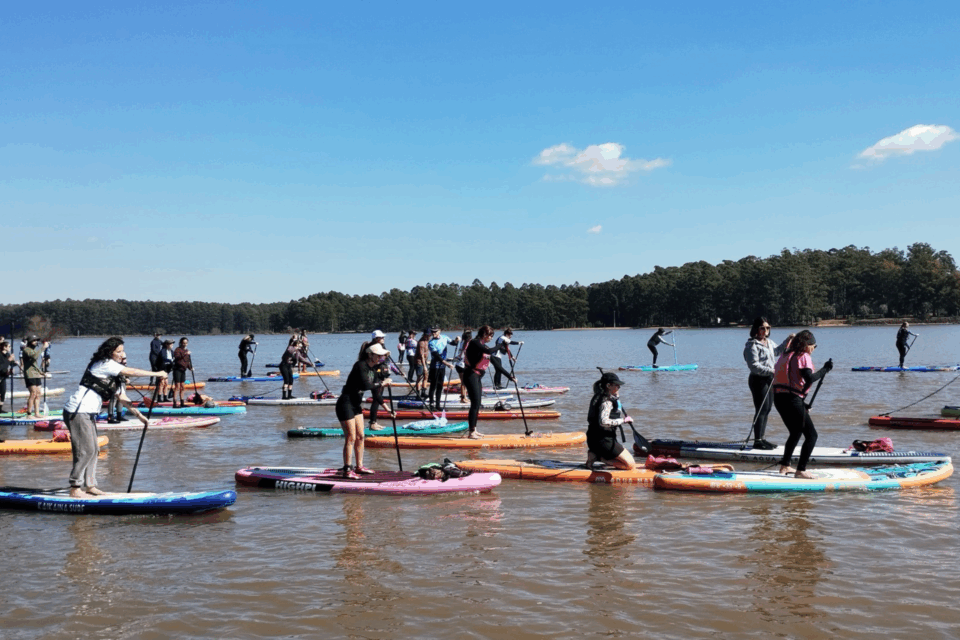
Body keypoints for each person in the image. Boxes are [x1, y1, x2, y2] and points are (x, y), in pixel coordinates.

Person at [61, 336, 166, 498]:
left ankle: (90, 486)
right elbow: (130, 371)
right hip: (77, 410)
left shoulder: (113, 377)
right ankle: (75, 488)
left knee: (94, 450)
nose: (122, 354)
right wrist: (157, 373)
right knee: (86, 450)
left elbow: (122, 398)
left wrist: (140, 416)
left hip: (87, 413)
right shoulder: (103, 364)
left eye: (123, 351)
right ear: (110, 352)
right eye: (119, 351)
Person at [772, 330, 833, 479]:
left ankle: (785, 465)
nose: (813, 349)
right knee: (812, 435)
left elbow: (791, 383)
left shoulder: (786, 354)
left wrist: (802, 403)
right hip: (791, 399)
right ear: (807, 345)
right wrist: (826, 369)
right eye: (814, 346)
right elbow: (809, 378)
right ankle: (801, 470)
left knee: (795, 432)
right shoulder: (803, 356)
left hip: (779, 398)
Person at [335, 343, 395, 478]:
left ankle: (359, 466)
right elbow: (365, 385)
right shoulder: (360, 365)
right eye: (378, 355)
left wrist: (387, 409)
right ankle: (347, 470)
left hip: (356, 405)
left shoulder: (374, 370)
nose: (381, 357)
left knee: (361, 436)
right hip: (345, 403)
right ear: (370, 355)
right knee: (351, 437)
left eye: (382, 355)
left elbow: (376, 393)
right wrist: (382, 383)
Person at [743, 318, 794, 450]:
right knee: (761, 409)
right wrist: (773, 371)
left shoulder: (769, 342)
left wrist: (788, 340)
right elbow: (754, 366)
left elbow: (777, 351)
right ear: (756, 329)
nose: (765, 331)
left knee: (767, 409)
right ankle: (757, 441)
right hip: (758, 380)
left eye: (768, 328)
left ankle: (762, 438)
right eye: (762, 328)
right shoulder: (752, 345)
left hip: (769, 378)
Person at [459, 325, 515, 438]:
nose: (491, 338)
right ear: (484, 334)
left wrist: (510, 377)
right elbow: (489, 350)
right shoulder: (475, 343)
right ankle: (471, 432)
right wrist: (500, 345)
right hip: (470, 376)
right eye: (490, 336)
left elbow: (497, 365)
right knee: (474, 404)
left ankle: (474, 430)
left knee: (478, 404)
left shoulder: (483, 346)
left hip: (477, 377)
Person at [585, 371, 637, 470]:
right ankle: (600, 458)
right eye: (617, 385)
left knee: (625, 461)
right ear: (608, 385)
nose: (619, 388)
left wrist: (616, 397)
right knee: (630, 465)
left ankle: (594, 454)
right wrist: (623, 420)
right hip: (603, 440)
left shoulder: (598, 396)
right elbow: (603, 422)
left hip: (593, 438)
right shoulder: (607, 401)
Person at [427, 327, 461, 411]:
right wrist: (448, 364)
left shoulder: (445, 337)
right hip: (434, 367)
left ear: (439, 331)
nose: (433, 333)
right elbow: (436, 356)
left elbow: (453, 343)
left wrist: (456, 340)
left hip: (442, 367)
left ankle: (438, 405)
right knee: (433, 386)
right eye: (432, 332)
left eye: (435, 332)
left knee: (440, 386)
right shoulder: (431, 343)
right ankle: (431, 405)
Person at [21, 335, 49, 417]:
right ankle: (29, 413)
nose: (36, 342)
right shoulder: (26, 350)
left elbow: (34, 364)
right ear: (30, 342)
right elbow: (35, 357)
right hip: (29, 374)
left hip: (36, 374)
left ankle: (36, 413)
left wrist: (41, 372)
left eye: (37, 341)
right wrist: (43, 348)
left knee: (38, 393)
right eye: (34, 341)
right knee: (33, 393)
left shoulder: (34, 350)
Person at [0, 338, 20, 416]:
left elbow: (9, 364)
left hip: (3, 377)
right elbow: (2, 367)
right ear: (4, 347)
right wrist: (9, 360)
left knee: (3, 393)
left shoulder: (7, 354)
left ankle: (0, 409)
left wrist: (14, 363)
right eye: (8, 346)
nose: (10, 348)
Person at [172, 337, 193, 408]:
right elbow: (177, 358)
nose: (185, 344)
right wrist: (185, 353)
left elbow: (187, 361)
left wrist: (190, 368)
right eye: (183, 343)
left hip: (183, 370)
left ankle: (182, 403)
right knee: (177, 387)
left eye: (186, 343)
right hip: (177, 369)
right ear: (181, 343)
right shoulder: (177, 350)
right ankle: (174, 403)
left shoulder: (186, 350)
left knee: (182, 387)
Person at [454, 329, 473, 403]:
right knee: (464, 383)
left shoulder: (462, 342)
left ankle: (464, 396)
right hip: (461, 365)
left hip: (459, 365)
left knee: (464, 382)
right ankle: (462, 398)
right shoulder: (466, 344)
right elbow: (465, 353)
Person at [415, 329, 431, 398]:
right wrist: (424, 366)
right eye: (427, 335)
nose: (428, 337)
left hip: (425, 361)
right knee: (420, 377)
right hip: (420, 362)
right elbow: (421, 355)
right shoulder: (421, 342)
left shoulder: (427, 341)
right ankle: (418, 393)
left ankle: (424, 391)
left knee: (426, 376)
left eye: (429, 336)